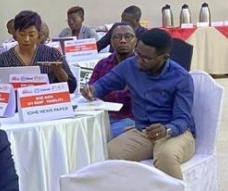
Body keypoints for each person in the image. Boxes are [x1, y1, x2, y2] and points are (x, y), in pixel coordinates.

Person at [82, 29, 195, 180]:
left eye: (146, 58)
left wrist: (167, 130)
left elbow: (182, 118)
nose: (139, 60)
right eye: (137, 54)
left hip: (175, 133)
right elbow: (103, 84)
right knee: (107, 154)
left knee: (166, 156)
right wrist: (91, 90)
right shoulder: (130, 66)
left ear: (164, 58)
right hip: (143, 131)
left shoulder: (181, 77)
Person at [0, 11, 77, 93]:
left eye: (31, 34)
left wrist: (59, 71)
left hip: (45, 103)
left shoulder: (52, 54)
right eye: (22, 34)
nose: (26, 39)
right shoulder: (4, 59)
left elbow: (72, 87)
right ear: (15, 35)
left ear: (38, 34)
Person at [89, 23, 137, 137]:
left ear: (135, 41)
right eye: (117, 37)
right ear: (111, 41)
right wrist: (90, 92)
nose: (123, 41)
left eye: (128, 36)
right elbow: (91, 91)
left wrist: (103, 92)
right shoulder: (102, 64)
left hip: (129, 119)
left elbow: (128, 98)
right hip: (102, 117)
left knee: (99, 137)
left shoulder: (140, 66)